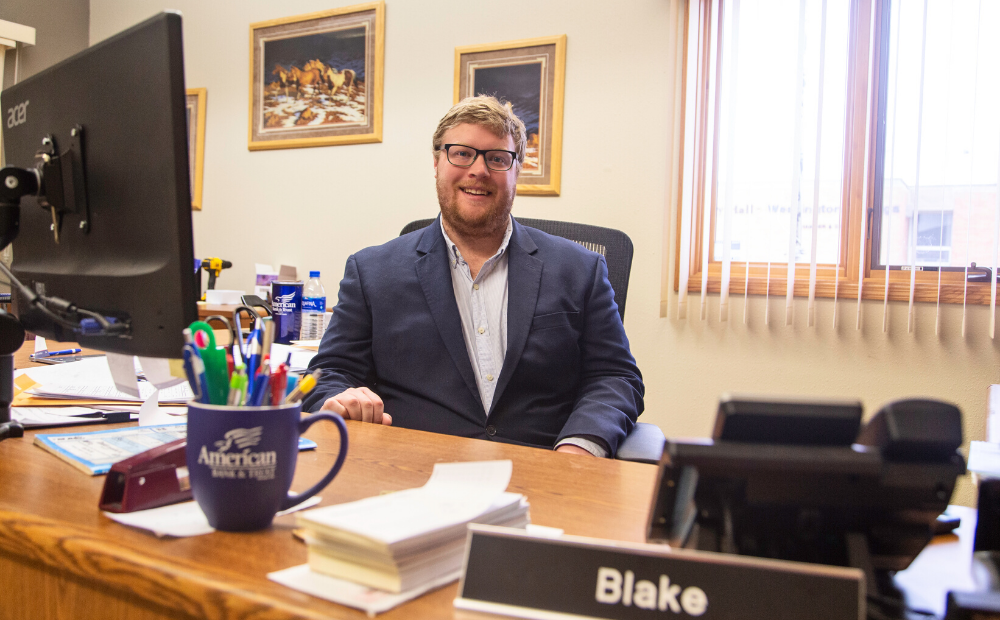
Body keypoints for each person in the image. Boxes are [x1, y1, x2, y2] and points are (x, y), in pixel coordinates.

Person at [302, 95, 644, 457]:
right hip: (411, 474)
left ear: (517, 170)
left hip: (543, 471)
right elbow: (329, 374)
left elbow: (616, 378)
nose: (479, 170)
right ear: (436, 162)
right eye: (462, 153)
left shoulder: (580, 269)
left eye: (497, 158)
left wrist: (581, 445)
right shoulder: (372, 271)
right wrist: (339, 399)